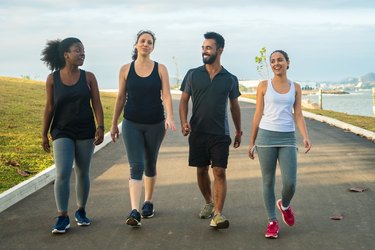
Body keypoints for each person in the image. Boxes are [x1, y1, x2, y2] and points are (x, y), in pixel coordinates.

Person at [110, 30, 176, 227]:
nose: (145, 44)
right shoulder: (125, 69)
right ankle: (135, 210)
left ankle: (148, 201)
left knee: (150, 163)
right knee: (136, 165)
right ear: (136, 45)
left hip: (155, 124)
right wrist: (114, 123)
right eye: (142, 41)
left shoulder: (160, 69)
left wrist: (170, 116)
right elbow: (121, 97)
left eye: (149, 42)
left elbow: (166, 95)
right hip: (131, 123)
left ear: (153, 47)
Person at [41, 37, 105, 234]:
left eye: (83, 50)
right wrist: (44, 133)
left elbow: (97, 103)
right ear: (66, 54)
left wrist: (101, 127)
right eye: (78, 50)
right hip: (61, 131)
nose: (82, 53)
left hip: (85, 131)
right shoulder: (53, 79)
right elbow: (50, 107)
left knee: (82, 172)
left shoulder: (89, 77)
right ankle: (62, 216)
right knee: (62, 173)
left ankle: (81, 211)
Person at [179, 32, 242, 229]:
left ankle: (218, 214)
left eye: (208, 48)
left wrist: (239, 130)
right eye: (203, 48)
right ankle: (208, 202)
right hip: (197, 132)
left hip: (220, 134)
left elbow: (234, 106)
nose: (204, 51)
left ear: (220, 50)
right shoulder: (192, 74)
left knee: (220, 172)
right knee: (201, 170)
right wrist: (184, 122)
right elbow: (183, 100)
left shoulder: (230, 78)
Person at [248, 50, 312, 239]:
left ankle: (284, 205)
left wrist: (305, 136)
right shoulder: (263, 86)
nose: (276, 63)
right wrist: (252, 141)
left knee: (290, 183)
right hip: (266, 137)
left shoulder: (296, 87)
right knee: (268, 181)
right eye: (273, 61)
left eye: (280, 60)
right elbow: (258, 114)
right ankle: (272, 221)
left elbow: (298, 114)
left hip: (288, 138)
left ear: (288, 62)